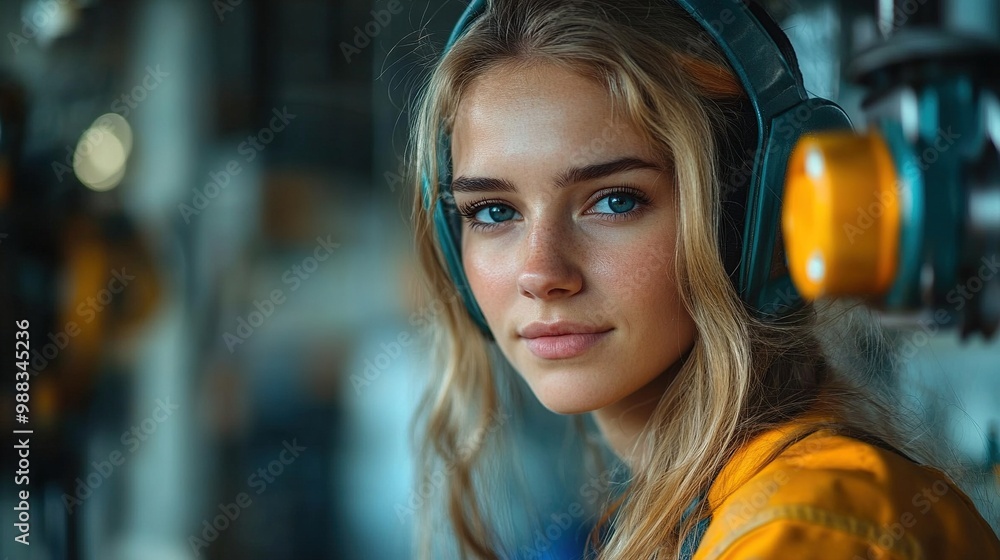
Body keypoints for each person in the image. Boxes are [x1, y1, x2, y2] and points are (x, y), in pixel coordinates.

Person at [407, 0, 1000, 558]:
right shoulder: (689, 516)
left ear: (752, 223)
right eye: (493, 212)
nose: (541, 274)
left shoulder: (805, 531)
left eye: (615, 201)